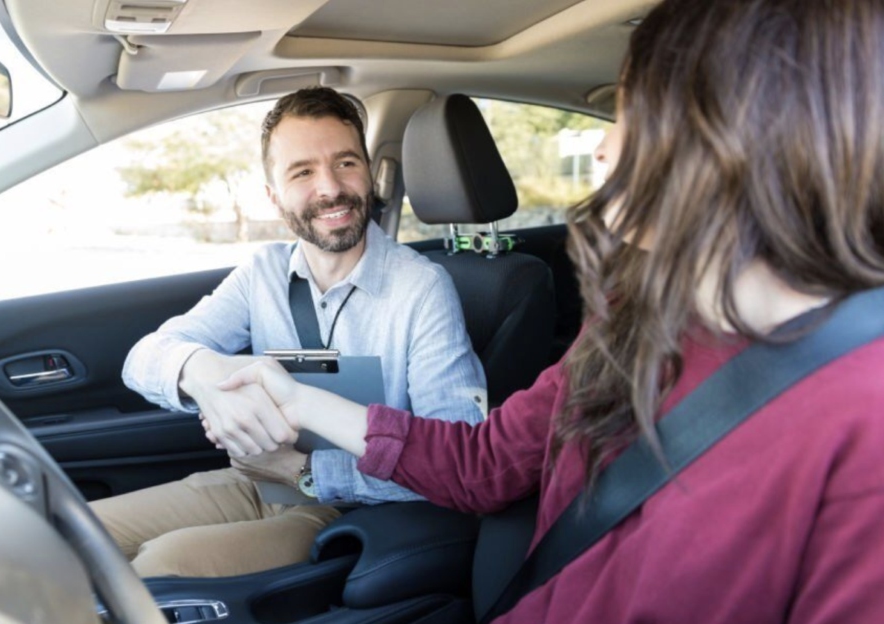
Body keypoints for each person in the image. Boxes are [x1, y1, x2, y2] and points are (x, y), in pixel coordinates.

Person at [212, 0, 884, 621]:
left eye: (630, 113)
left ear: (737, 135)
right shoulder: (628, 319)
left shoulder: (860, 424)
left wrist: (303, 468)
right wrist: (293, 401)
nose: (601, 147)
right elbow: (479, 465)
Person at [90, 86, 487, 578]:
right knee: (71, 534)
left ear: (367, 173)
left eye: (345, 163)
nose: (330, 188)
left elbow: (457, 458)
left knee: (163, 567)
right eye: (303, 171)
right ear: (274, 197)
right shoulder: (263, 273)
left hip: (356, 507)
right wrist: (201, 373)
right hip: (255, 483)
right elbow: (144, 357)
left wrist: (306, 474)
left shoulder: (422, 289)